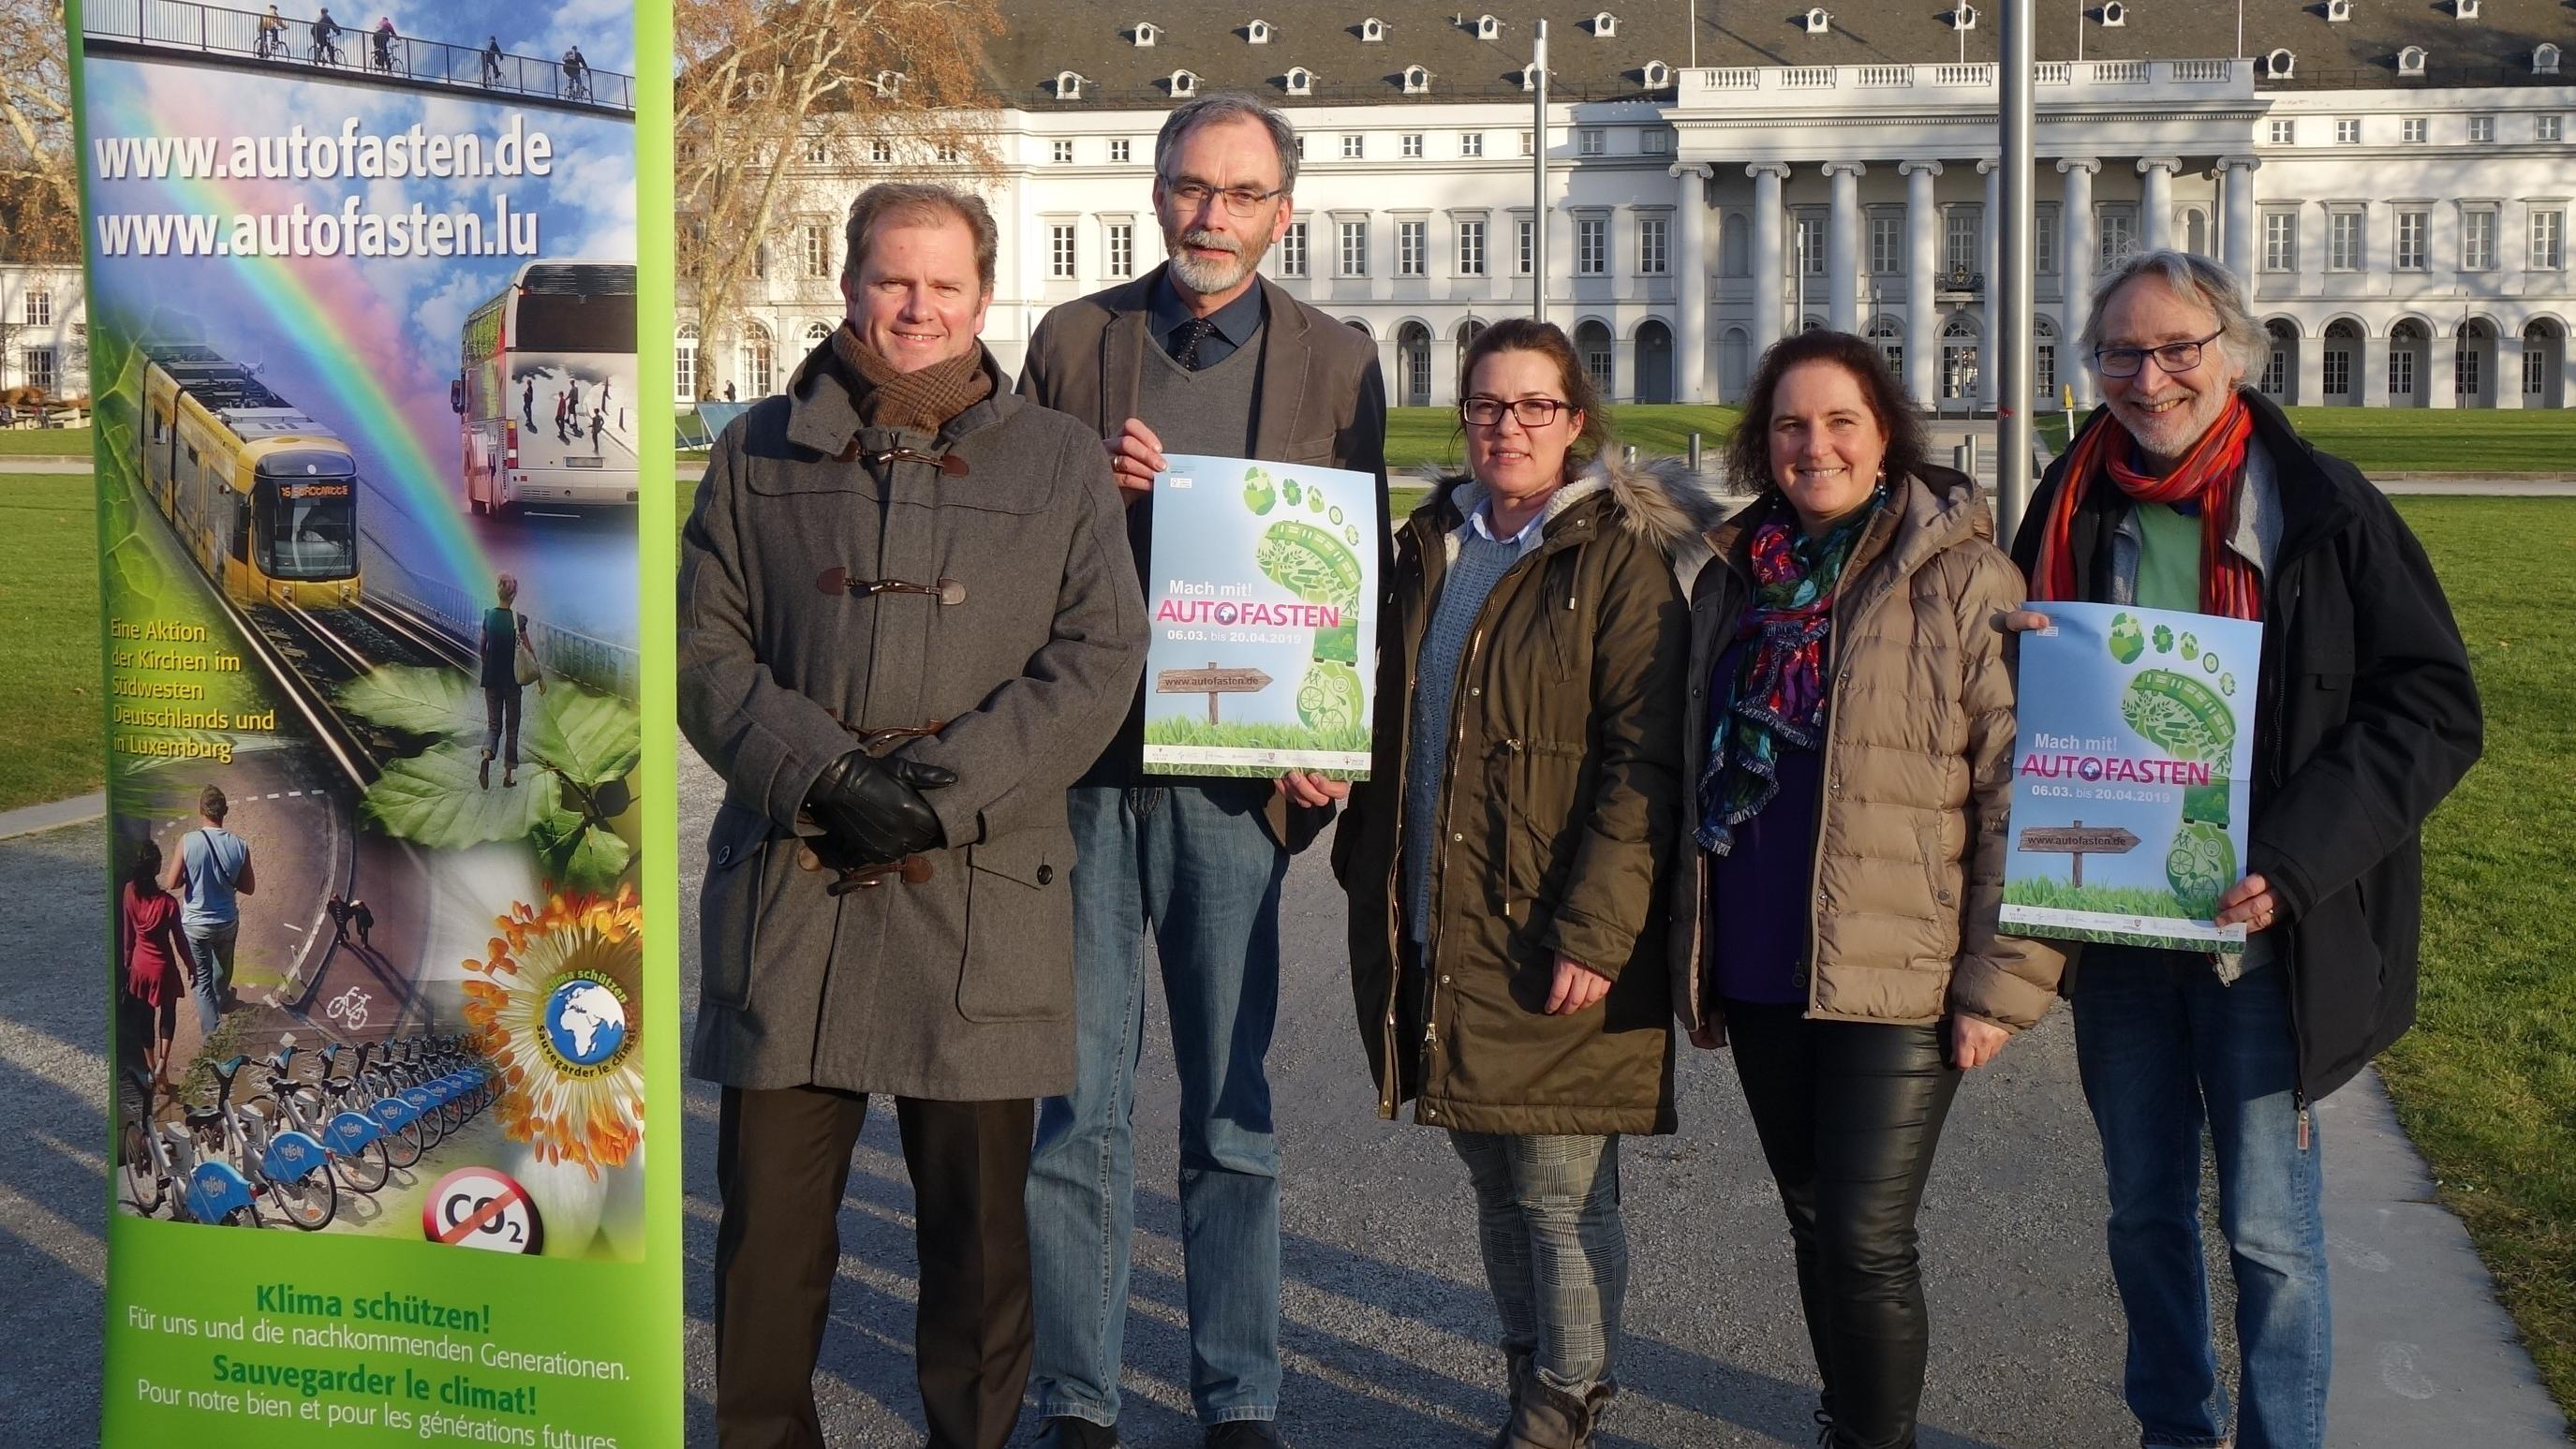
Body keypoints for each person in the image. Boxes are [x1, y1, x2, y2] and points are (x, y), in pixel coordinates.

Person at [680, 181, 1146, 1449]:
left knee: (981, 1254)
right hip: (794, 887)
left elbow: (1099, 657)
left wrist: (937, 800)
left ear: (985, 299)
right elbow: (702, 649)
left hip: (977, 898)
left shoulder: (1052, 459)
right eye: (895, 280)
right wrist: (823, 775)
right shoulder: (757, 448)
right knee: (767, 1247)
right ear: (850, 287)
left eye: (945, 285)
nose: (918, 308)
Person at [2006, 251, 2481, 1449]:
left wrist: (2294, 857)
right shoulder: (2071, 498)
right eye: (2119, 350)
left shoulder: (2321, 504)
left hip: (2262, 922)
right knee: (2140, 1211)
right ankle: (2174, 1427)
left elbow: (2430, 707)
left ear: (2231, 352)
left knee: (2269, 1233)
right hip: (2120, 924)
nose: (2148, 375)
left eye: (2176, 347)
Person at [1014, 92, 1387, 1449]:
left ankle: (1241, 1392)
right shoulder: (1071, 340)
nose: (1210, 215)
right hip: (1083, 771)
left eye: (1240, 194)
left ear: (1283, 212)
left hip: (1238, 782)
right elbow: (1012, 547)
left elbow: (1358, 574)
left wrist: (1331, 745)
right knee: (1077, 1110)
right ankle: (1078, 1392)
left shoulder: (1339, 362)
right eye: (1190, 187)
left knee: (1231, 1106)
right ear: (1155, 193)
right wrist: (1093, 498)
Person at [1673, 331, 2065, 1449]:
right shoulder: (1731, 576)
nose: (1815, 445)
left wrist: (1998, 981)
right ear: (1763, 441)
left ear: (1883, 431)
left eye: (1840, 421)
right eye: (1791, 424)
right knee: (1810, 1221)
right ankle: (1847, 1415)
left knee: (1863, 1231)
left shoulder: (1959, 573)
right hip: (1757, 951)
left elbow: (2012, 781)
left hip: (1898, 961)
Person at [1333, 318, 1708, 1449]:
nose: (1507, 426)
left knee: (1556, 1188)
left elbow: (1641, 764)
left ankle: (1566, 1396)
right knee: (1492, 1176)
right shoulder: (1428, 544)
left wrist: (1595, 930)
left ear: (1575, 421)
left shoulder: (1618, 565)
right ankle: (1528, 1377)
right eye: (1487, 405)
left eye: (1533, 406)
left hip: (1552, 924)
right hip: (1439, 914)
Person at [167, 785, 254, 1041]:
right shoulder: (240, 845)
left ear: (200, 810)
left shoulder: (188, 841)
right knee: (223, 967)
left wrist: (190, 876)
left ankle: (212, 1037)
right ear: (225, 811)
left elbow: (172, 883)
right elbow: (248, 888)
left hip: (195, 924)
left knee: (201, 980)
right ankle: (223, 997)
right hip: (226, 920)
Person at [119, 838, 192, 1092]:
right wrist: (191, 965)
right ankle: (163, 1065)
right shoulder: (168, 904)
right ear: (158, 867)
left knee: (145, 1017)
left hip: (140, 966)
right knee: (168, 1013)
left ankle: (151, 1069)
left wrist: (129, 963)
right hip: (164, 969)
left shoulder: (129, 891)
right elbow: (181, 941)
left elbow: (128, 934)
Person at [479, 574, 542, 790]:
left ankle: (486, 758)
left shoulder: (489, 616)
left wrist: (486, 663)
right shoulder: (518, 619)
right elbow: (528, 650)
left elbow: (482, 646)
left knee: (494, 725)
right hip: (512, 682)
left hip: (491, 680)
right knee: (512, 728)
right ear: (513, 595)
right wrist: (540, 677)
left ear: (498, 591)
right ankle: (508, 777)